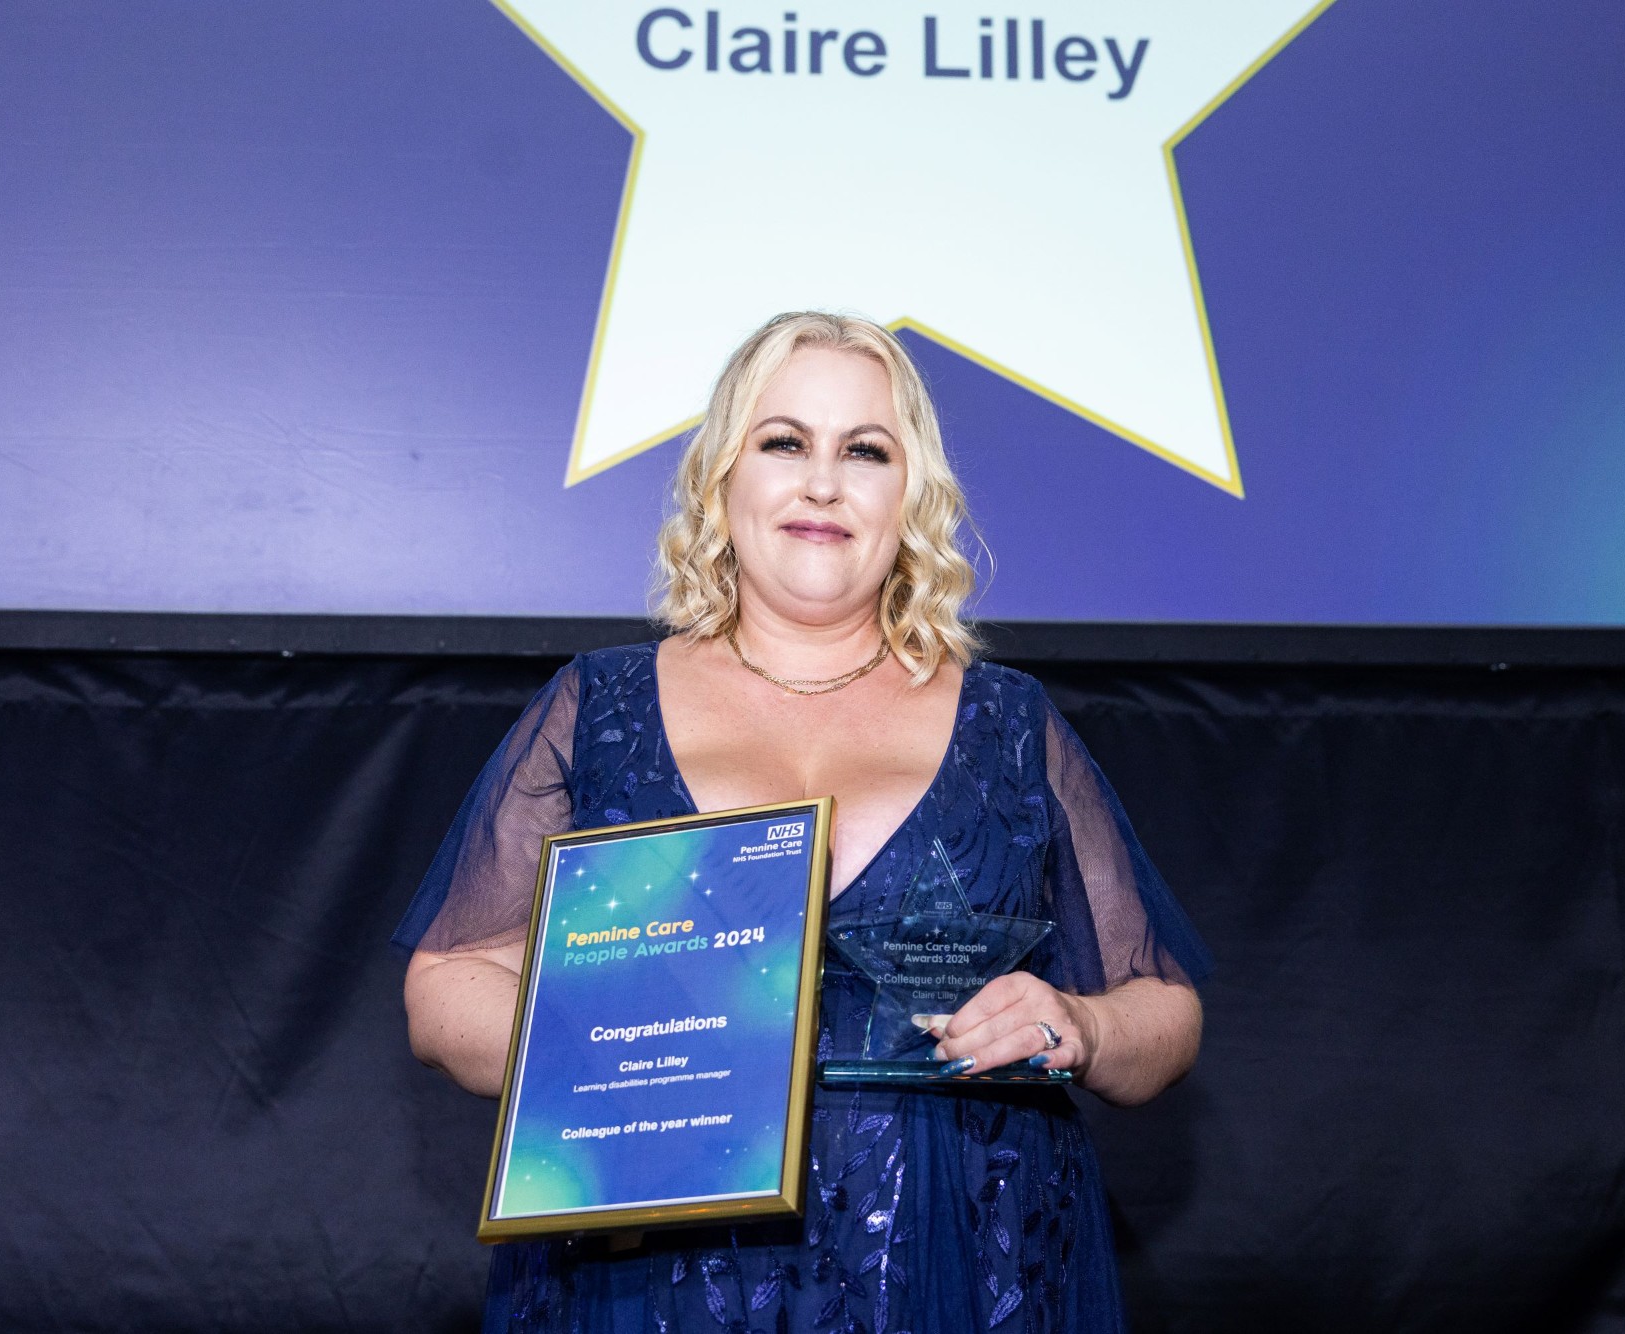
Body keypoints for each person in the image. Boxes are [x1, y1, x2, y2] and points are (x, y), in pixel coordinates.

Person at [394, 312, 1210, 1333]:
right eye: (784, 441)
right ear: (722, 475)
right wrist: (617, 1040)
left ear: (908, 496)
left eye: (864, 450)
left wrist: (1082, 1025)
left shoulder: (1009, 722)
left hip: (965, 1260)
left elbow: (1164, 1014)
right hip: (656, 1276)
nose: (822, 483)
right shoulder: (598, 706)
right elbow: (444, 989)